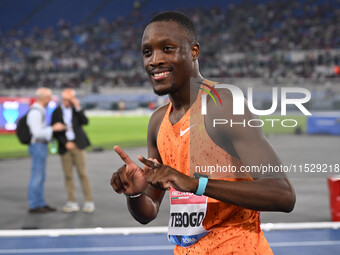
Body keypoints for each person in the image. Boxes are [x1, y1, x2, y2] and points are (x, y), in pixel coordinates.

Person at [110, 12, 296, 254]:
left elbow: (282, 194)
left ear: (194, 51)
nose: (154, 60)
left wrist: (196, 184)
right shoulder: (158, 122)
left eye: (167, 48)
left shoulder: (222, 104)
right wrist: (134, 195)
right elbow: (149, 210)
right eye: (147, 52)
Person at [51, 88, 95, 213]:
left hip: (78, 145)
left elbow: (85, 122)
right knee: (68, 175)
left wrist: (78, 107)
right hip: (65, 148)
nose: (67, 102)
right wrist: (66, 143)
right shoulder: (56, 112)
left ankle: (89, 201)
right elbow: (55, 131)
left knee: (83, 174)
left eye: (69, 99)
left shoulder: (76, 110)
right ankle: (72, 201)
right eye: (65, 99)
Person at [27, 87, 65, 213]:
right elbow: (36, 132)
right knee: (37, 176)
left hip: (40, 145)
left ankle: (40, 203)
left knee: (40, 176)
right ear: (43, 98)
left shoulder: (40, 110)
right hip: (37, 145)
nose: (50, 99)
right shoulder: (36, 112)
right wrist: (53, 128)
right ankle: (34, 205)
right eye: (49, 97)